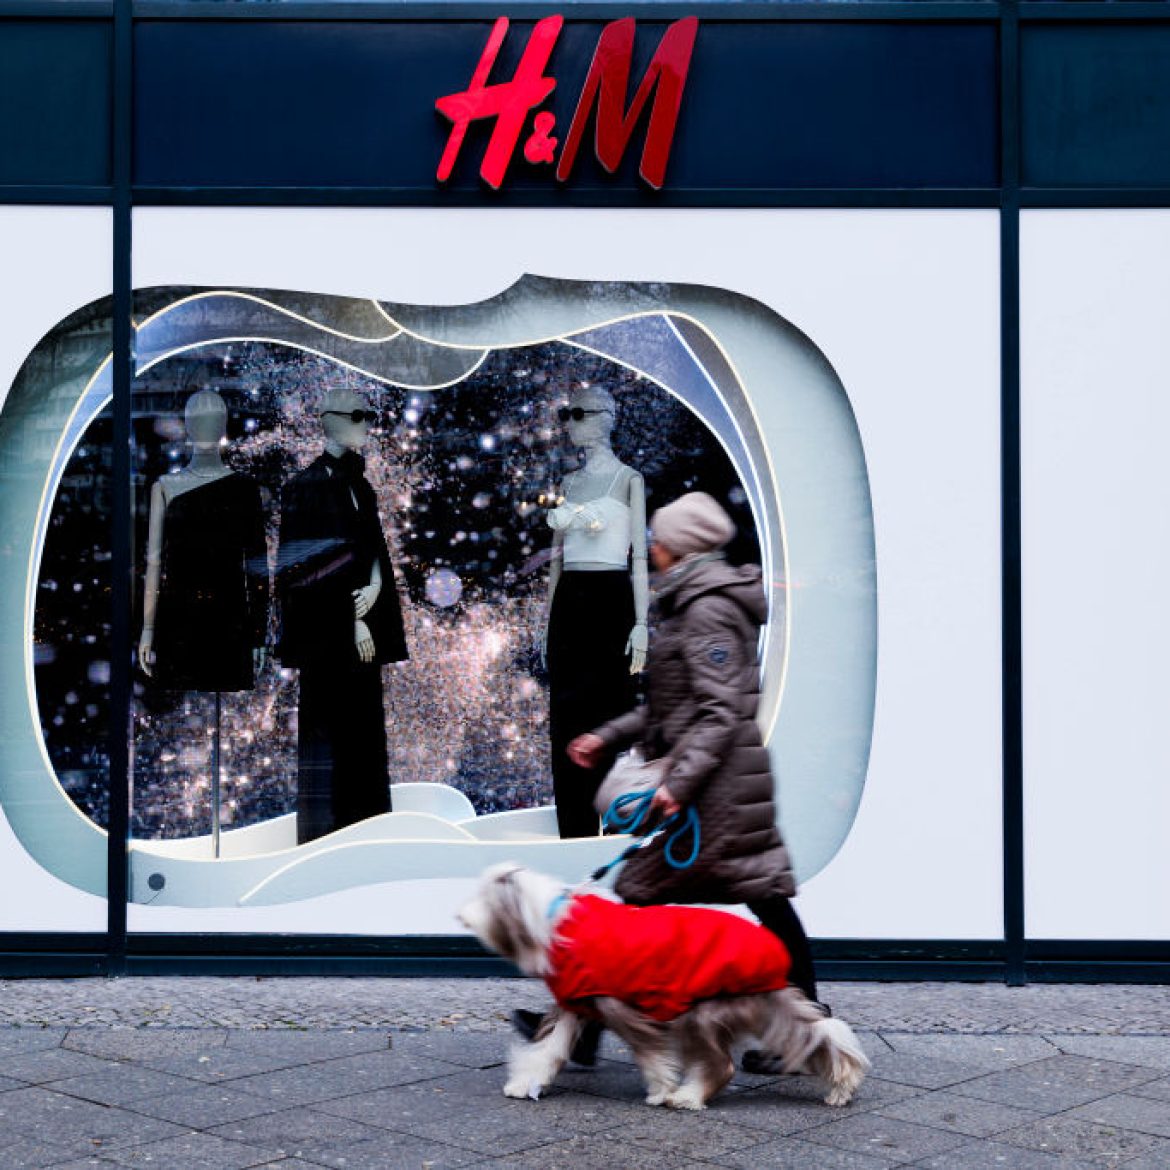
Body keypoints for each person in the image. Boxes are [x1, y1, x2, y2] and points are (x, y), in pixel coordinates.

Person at [565, 490, 823, 1071]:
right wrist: (606, 735)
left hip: (717, 790)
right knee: (763, 900)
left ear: (679, 549)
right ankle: (807, 1031)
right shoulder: (688, 603)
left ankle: (581, 1028)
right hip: (716, 784)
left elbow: (720, 712)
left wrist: (677, 787)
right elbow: (669, 709)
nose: (650, 546)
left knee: (641, 897)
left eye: (656, 538)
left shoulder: (706, 609)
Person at [275, 388, 408, 844]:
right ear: (328, 420)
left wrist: (374, 587)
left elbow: (370, 546)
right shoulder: (303, 488)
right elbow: (301, 570)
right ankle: (327, 838)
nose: (366, 424)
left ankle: (368, 830)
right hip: (328, 640)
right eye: (357, 416)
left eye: (367, 416)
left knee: (365, 735)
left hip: (361, 631)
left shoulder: (360, 485)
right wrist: (349, 620)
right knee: (328, 732)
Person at [542, 385, 648, 838]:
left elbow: (639, 555)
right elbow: (556, 559)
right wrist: (546, 622)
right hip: (571, 600)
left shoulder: (629, 479)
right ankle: (575, 829)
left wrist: (642, 624)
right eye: (567, 414)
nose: (569, 423)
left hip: (611, 597)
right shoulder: (569, 484)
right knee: (567, 717)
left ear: (606, 418)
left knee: (612, 709)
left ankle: (620, 823)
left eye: (577, 413)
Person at [139, 388, 269, 693]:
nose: (206, 428)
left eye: (211, 421)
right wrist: (147, 629)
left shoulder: (243, 489)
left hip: (220, 618)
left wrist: (259, 633)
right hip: (195, 618)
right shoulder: (167, 488)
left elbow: (257, 566)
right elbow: (154, 564)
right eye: (202, 421)